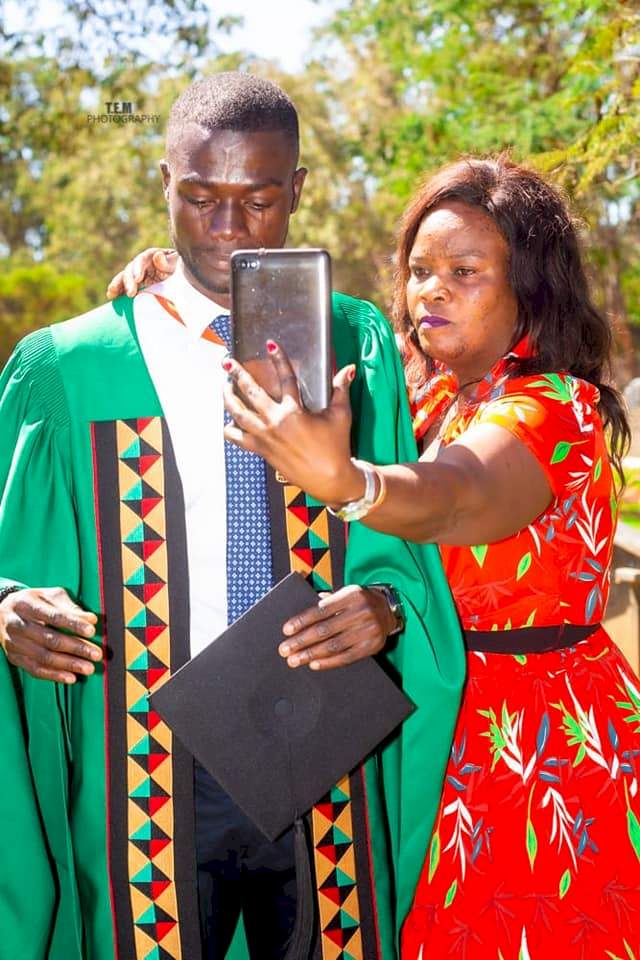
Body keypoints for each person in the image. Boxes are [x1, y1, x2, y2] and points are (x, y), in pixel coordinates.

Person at [0, 73, 465, 960]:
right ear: (163, 186)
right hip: (140, 751)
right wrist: (7, 601)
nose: (226, 230)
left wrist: (388, 605)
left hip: (321, 736)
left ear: (297, 191)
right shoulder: (66, 366)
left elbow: (399, 534)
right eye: (202, 198)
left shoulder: (354, 340)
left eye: (257, 200)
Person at [208, 155, 640, 958]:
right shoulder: (423, 395)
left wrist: (348, 479)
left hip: (528, 746)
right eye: (419, 271)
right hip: (421, 719)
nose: (430, 290)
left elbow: (456, 496)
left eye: (464, 271)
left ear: (529, 290)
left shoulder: (555, 410)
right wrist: (182, 280)